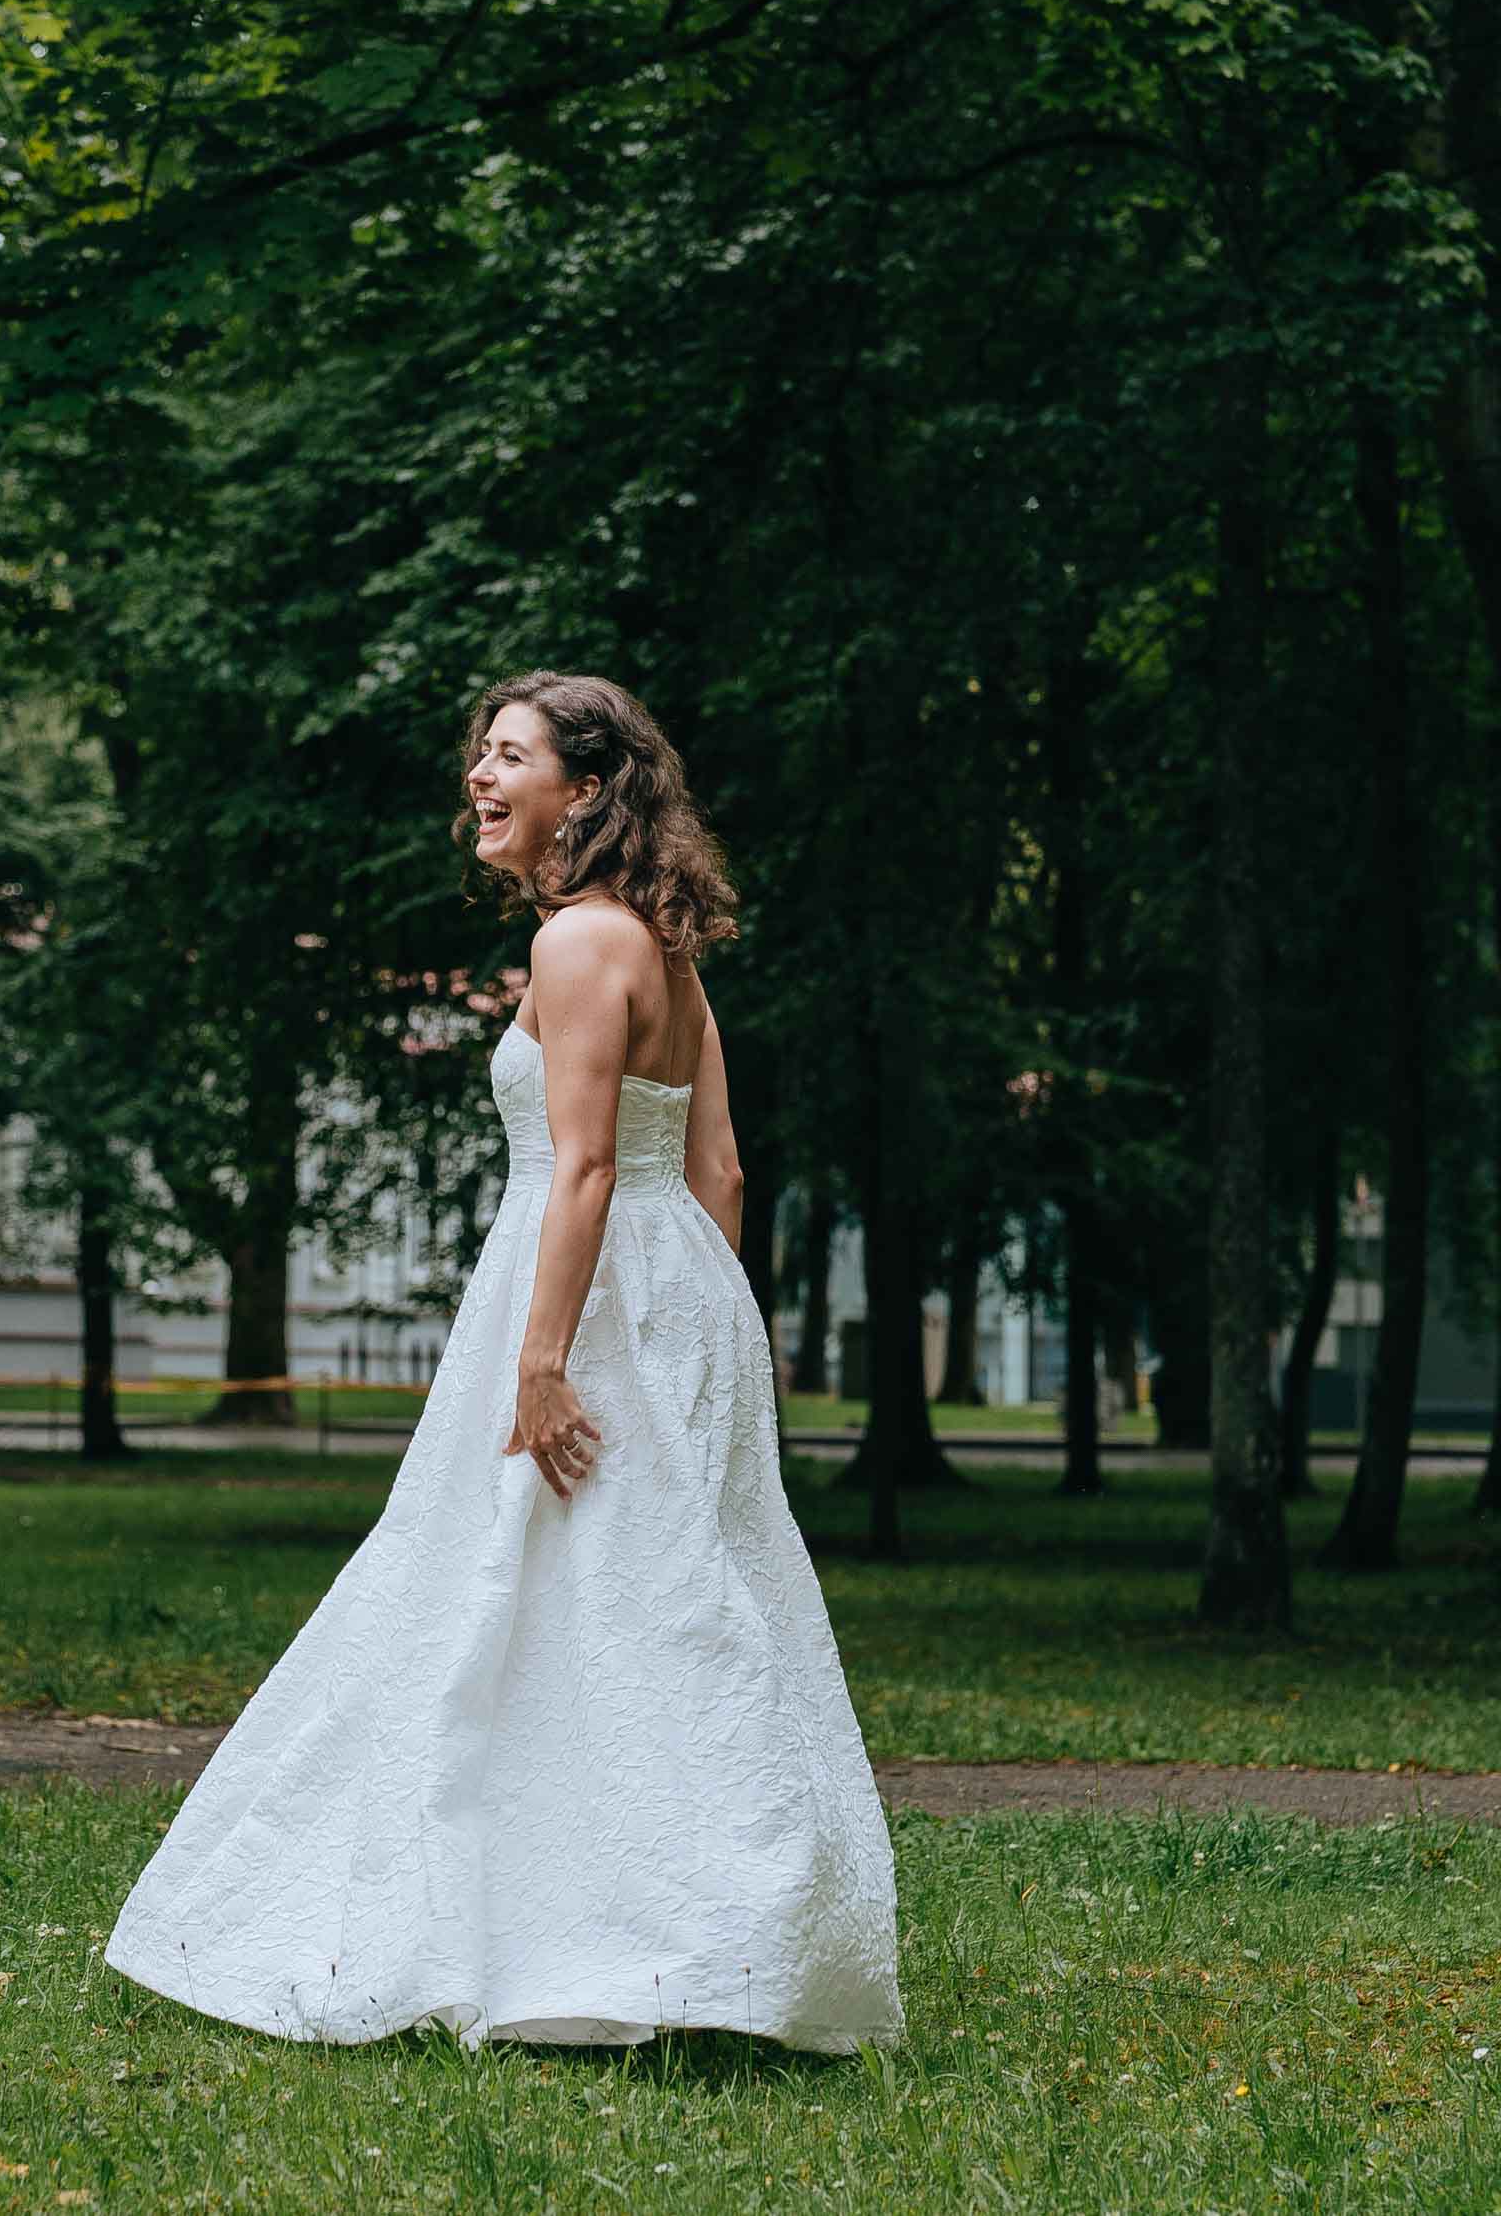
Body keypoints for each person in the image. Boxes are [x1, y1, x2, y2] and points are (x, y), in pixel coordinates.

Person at [102, 672, 899, 2054]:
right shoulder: (662, 943)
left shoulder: (582, 943)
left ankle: (622, 1938)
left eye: (511, 755)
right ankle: (663, 1940)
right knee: (641, 1600)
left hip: (577, 1293)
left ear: (585, 790)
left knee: (555, 1597)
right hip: (659, 1288)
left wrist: (546, 1362)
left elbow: (587, 1162)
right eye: (479, 754)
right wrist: (695, 1327)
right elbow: (717, 1172)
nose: (480, 776)